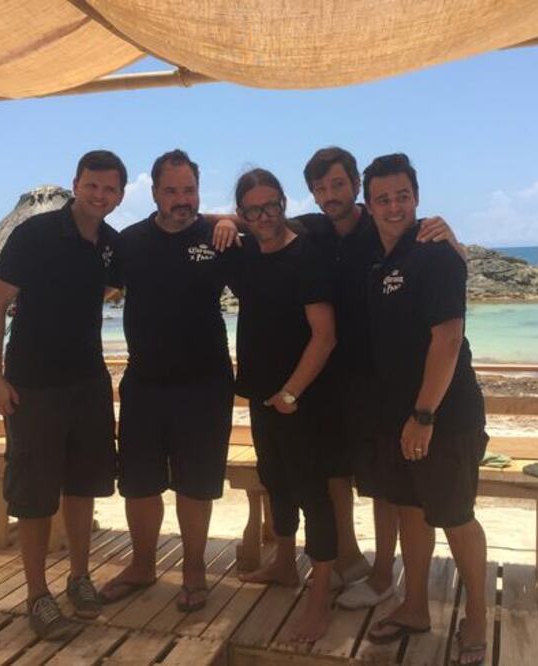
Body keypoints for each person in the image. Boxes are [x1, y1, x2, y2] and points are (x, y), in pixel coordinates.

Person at [295, 147, 466, 608]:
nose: (330, 195)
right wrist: (226, 222)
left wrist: (453, 239)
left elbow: (446, 276)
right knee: (357, 477)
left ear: (356, 188)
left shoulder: (390, 227)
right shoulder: (312, 230)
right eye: (320, 188)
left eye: (337, 184)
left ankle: (382, 573)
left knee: (390, 484)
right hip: (340, 377)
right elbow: (259, 218)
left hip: (387, 378)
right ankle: (357, 563)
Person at [0, 149, 126, 639]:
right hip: (33, 385)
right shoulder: (34, 234)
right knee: (35, 494)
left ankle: (79, 577)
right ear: (76, 184)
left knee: (83, 485)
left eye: (110, 189)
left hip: (88, 381)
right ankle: (37, 596)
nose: (100, 195)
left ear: (120, 195)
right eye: (93, 185)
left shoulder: (110, 244)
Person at [362, 153, 488, 666]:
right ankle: (414, 606)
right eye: (383, 198)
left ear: (416, 197)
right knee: (411, 512)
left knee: (455, 516)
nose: (393, 207)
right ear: (368, 204)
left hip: (442, 417)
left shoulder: (433, 253)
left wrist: (424, 415)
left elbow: (449, 338)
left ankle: (477, 617)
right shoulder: (382, 261)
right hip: (397, 414)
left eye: (402, 196)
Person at [98, 149, 237, 613]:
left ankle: (194, 571)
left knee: (196, 485)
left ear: (199, 191)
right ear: (154, 192)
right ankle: (142, 565)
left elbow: (281, 230)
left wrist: (232, 218)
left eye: (190, 190)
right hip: (145, 383)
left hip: (206, 384)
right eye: (172, 191)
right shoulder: (130, 243)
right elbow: (91, 287)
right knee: (139, 483)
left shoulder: (218, 237)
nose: (182, 199)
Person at [229, 168, 338, 641]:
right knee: (276, 481)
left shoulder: (306, 254)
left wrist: (292, 392)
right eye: (253, 210)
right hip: (262, 394)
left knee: (314, 493)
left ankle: (320, 593)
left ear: (284, 202)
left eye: (272, 205)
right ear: (243, 214)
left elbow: (325, 335)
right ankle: (284, 566)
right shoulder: (248, 252)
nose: (265, 216)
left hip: (304, 398)